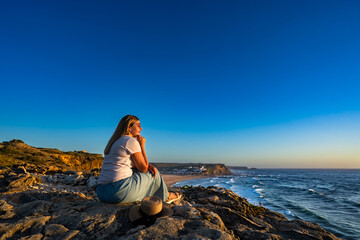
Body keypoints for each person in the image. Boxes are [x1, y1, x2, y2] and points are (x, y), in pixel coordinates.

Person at [96, 115, 179, 204]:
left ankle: (164, 195)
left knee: (145, 169)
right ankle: (166, 197)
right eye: (138, 125)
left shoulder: (115, 141)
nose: (141, 128)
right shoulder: (130, 141)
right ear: (129, 127)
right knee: (154, 173)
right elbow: (143, 169)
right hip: (117, 192)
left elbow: (128, 164)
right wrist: (142, 145)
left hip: (101, 192)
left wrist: (149, 165)